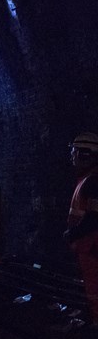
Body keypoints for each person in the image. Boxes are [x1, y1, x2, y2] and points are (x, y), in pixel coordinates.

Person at [64, 131, 98, 327]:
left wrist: (72, 234)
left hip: (93, 248)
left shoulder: (93, 182)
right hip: (88, 249)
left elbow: (94, 218)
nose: (72, 157)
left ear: (86, 154)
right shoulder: (87, 180)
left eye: (75, 152)